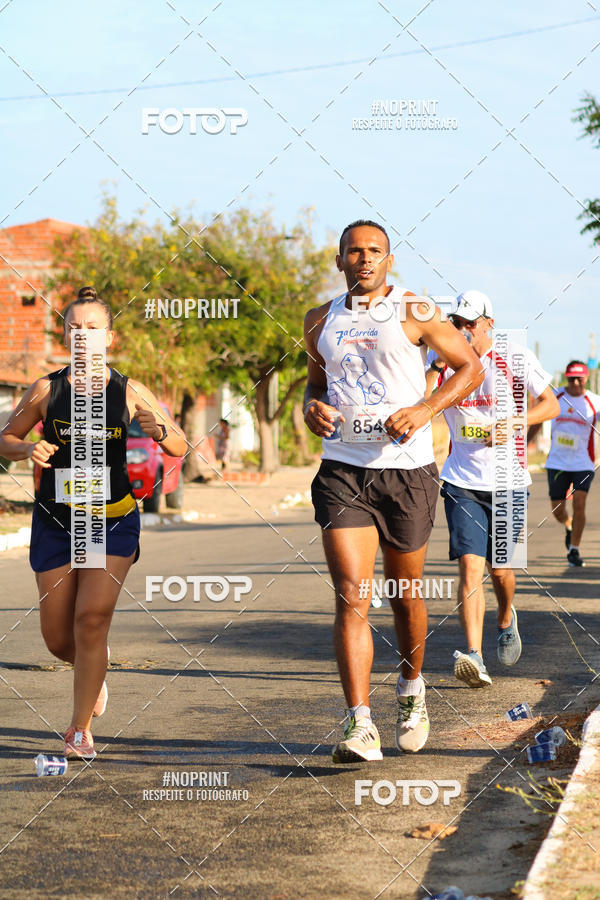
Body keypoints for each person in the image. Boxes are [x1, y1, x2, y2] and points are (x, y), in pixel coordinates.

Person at [304, 220, 483, 763]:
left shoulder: (415, 310)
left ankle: (410, 690)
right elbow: (316, 385)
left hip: (407, 473)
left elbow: (469, 368)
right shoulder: (319, 320)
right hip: (343, 469)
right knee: (352, 595)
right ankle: (359, 723)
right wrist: (312, 409)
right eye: (354, 252)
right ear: (339, 260)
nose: (364, 260)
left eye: (374, 251)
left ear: (389, 259)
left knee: (406, 595)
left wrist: (426, 409)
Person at [0, 286, 187, 759]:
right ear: (65, 335)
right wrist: (26, 449)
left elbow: (181, 446)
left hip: (112, 520)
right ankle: (94, 674)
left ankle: (79, 729)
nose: (84, 336)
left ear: (110, 336)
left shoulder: (128, 390)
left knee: (91, 619)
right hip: (56, 522)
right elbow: (5, 438)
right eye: (75, 328)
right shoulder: (47, 389)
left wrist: (159, 428)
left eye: (93, 329)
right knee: (58, 637)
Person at [425, 290, 559, 688]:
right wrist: (434, 364)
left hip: (509, 481)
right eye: (456, 323)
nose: (463, 330)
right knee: (470, 567)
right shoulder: (445, 364)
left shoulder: (514, 357)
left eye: (470, 323)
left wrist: (516, 423)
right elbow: (421, 403)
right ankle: (474, 655)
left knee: (501, 569)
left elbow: (550, 404)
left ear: (489, 324)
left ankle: (505, 617)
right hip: (461, 480)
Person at [543, 360, 600, 566]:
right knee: (558, 510)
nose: (575, 383)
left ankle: (574, 550)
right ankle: (568, 525)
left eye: (580, 379)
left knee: (580, 503)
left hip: (583, 463)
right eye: (571, 378)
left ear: (585, 378)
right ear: (566, 378)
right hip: (557, 462)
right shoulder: (555, 396)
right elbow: (537, 420)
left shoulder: (594, 401)